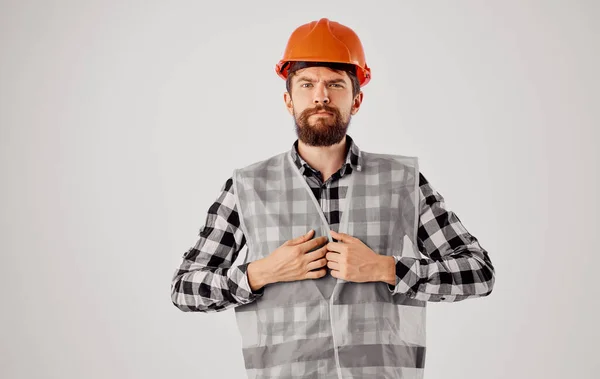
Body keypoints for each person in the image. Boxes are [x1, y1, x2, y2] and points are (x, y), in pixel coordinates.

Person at [171, 17, 495, 379]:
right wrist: (260, 273)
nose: (321, 95)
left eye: (335, 85)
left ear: (356, 100)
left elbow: (478, 272)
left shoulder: (402, 182)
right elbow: (185, 288)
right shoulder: (248, 187)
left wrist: (385, 269)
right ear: (288, 100)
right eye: (307, 84)